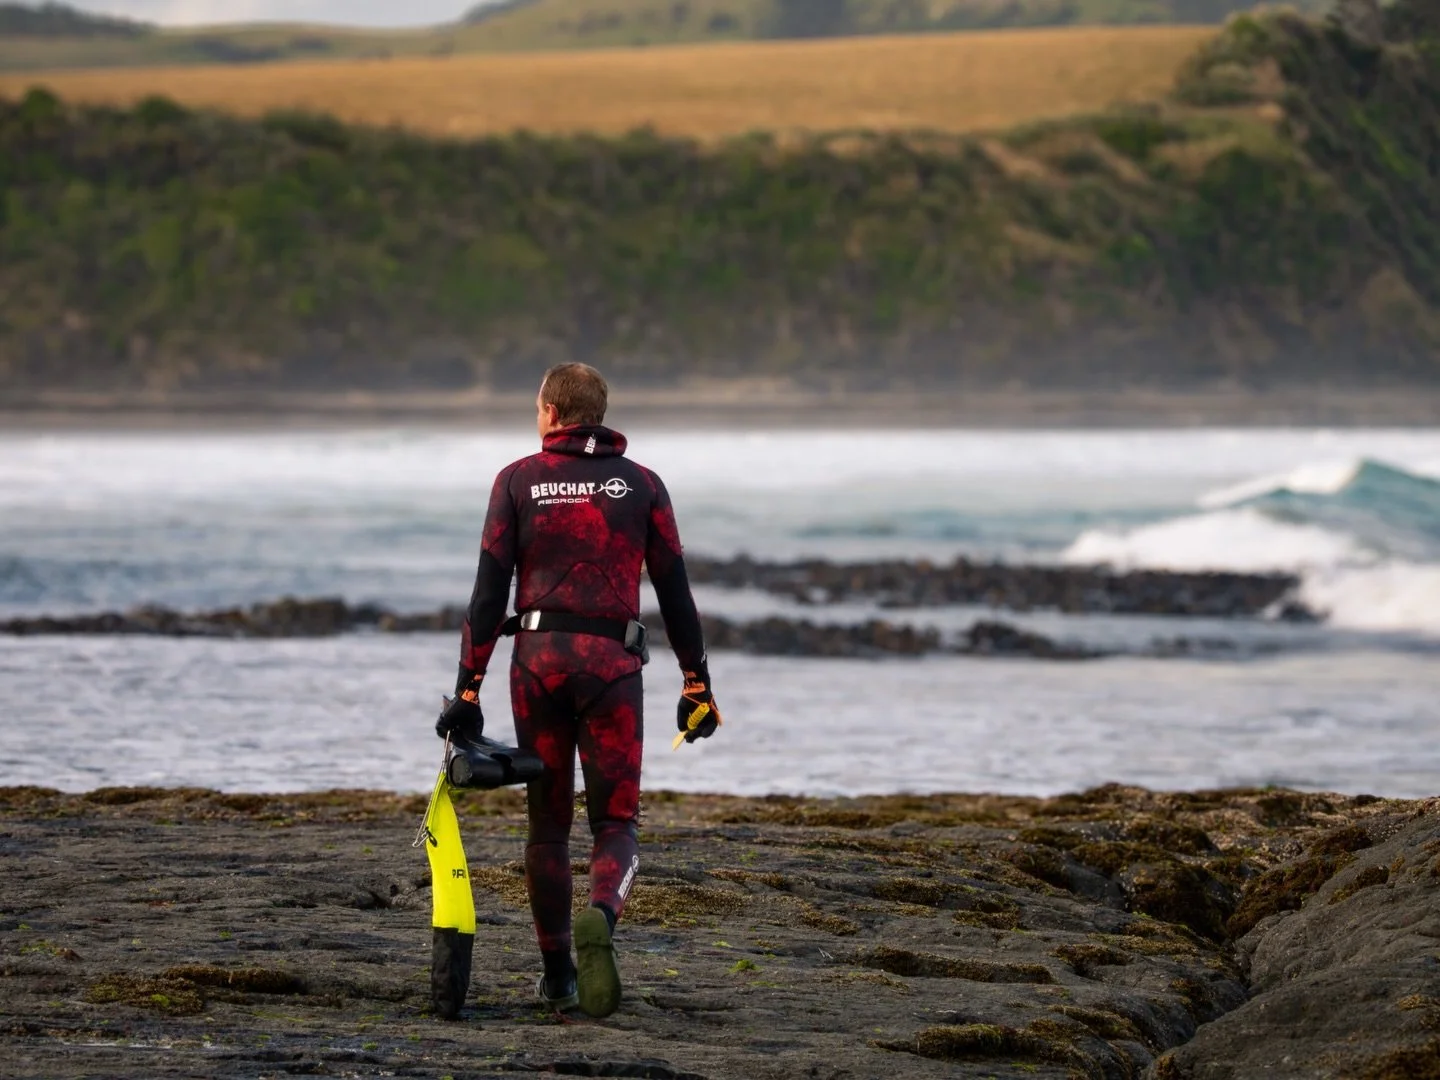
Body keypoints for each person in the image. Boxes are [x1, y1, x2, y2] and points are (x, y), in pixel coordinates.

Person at [434, 362, 721, 1019]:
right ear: (599, 413)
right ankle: (602, 914)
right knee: (615, 822)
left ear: (551, 412)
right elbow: (676, 594)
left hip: (538, 665)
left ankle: (559, 976)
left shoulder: (516, 480)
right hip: (612, 667)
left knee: (547, 828)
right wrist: (696, 682)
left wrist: (467, 691)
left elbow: (487, 595)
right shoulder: (643, 485)